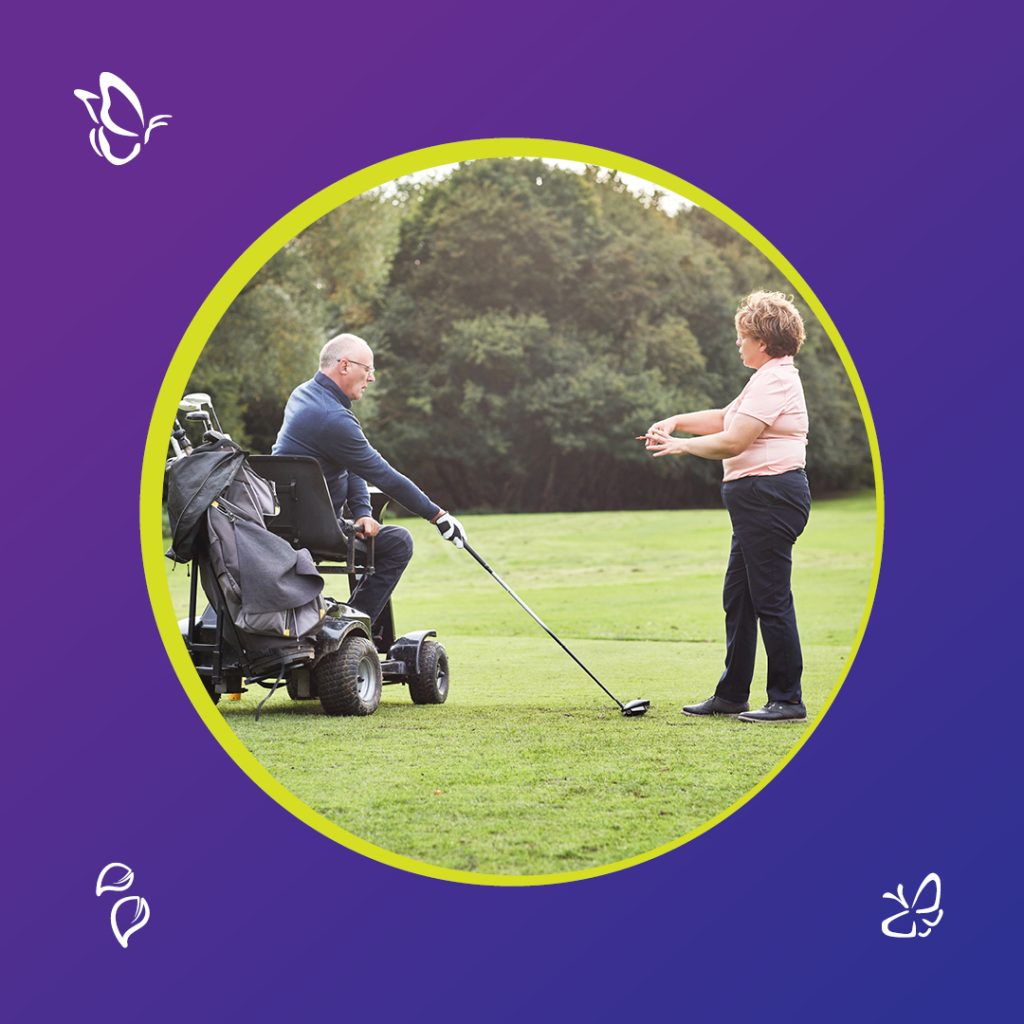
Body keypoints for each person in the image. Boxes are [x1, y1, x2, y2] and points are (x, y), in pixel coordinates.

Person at [643, 291, 811, 723]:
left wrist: (681, 446)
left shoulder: (775, 379)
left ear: (763, 338)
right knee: (739, 598)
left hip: (771, 496)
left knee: (770, 598)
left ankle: (787, 699)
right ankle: (732, 694)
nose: (738, 343)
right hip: (756, 501)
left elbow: (735, 441)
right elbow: (725, 418)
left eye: (743, 336)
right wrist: (676, 420)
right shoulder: (765, 379)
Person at [272, 332, 466, 629]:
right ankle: (350, 628)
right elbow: (384, 475)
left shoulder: (304, 394)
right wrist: (438, 516)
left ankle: (342, 624)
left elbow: (351, 465)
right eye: (368, 369)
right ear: (345, 366)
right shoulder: (333, 418)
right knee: (399, 542)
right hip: (319, 530)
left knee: (381, 535)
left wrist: (362, 511)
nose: (371, 378)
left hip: (286, 522)